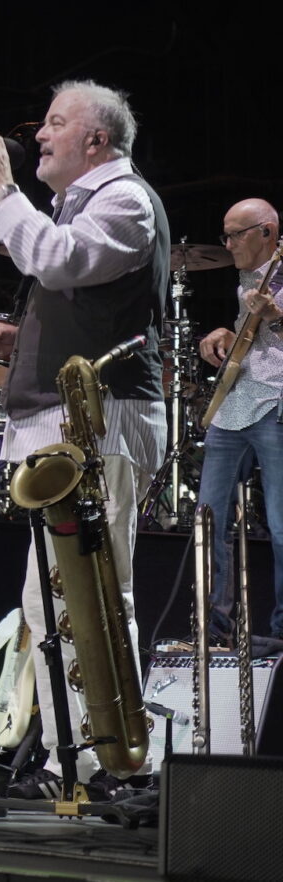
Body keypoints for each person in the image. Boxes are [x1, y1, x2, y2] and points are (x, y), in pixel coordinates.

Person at [0, 80, 168, 798]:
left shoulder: (125, 199)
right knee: (46, 605)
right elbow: (82, 290)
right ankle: (69, 760)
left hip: (104, 421)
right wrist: (29, 335)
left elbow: (58, 259)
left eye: (56, 123)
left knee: (101, 598)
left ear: (98, 142)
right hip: (61, 425)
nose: (39, 134)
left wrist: (2, 185)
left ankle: (122, 759)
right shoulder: (82, 204)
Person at [196, 199, 283, 644]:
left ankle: (281, 631)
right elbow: (250, 339)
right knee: (208, 518)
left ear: (266, 232)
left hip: (276, 405)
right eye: (225, 235)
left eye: (236, 235)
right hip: (233, 405)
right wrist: (222, 336)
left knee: (281, 524)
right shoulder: (246, 279)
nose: (227, 244)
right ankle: (216, 632)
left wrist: (277, 318)